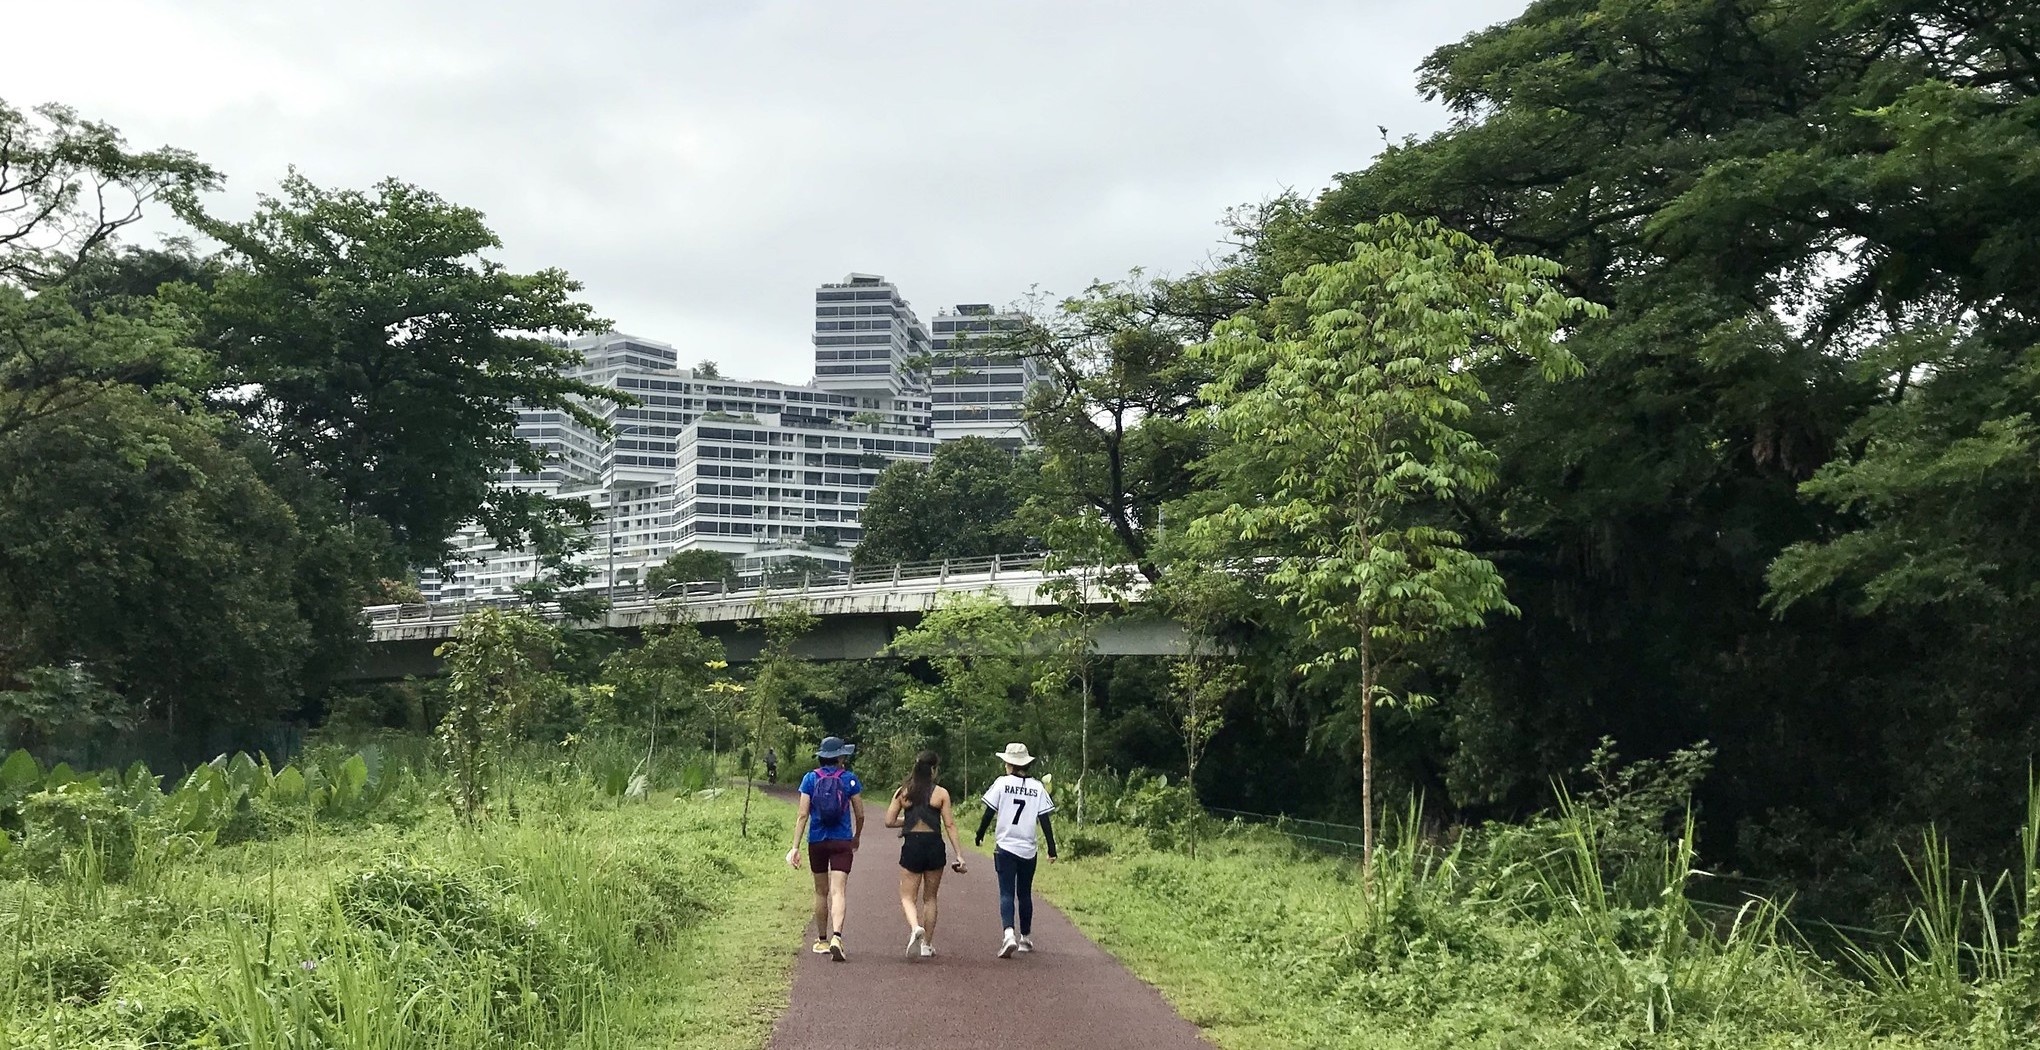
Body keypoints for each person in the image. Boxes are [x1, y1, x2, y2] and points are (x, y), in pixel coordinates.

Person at [975, 742, 1057, 959]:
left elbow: (989, 812)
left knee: (1006, 893)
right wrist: (1051, 847)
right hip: (1028, 848)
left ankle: (1008, 933)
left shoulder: (1001, 784)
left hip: (1005, 846)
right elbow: (1044, 819)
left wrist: (980, 833)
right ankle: (1026, 938)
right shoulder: (1038, 787)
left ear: (1009, 764)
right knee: (1024, 893)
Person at [787, 736, 864, 961]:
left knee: (821, 891)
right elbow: (859, 813)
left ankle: (821, 940)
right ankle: (837, 937)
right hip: (842, 841)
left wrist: (795, 847)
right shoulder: (850, 779)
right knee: (838, 891)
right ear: (839, 757)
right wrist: (856, 837)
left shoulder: (810, 779)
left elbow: (802, 814)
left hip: (817, 840)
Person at [884, 750, 967, 960]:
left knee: (907, 896)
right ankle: (927, 945)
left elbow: (889, 821)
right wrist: (959, 855)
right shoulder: (941, 793)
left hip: (912, 845)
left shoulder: (903, 792)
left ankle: (915, 927)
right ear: (933, 769)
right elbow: (949, 824)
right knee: (930, 897)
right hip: (934, 845)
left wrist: (910, 821)